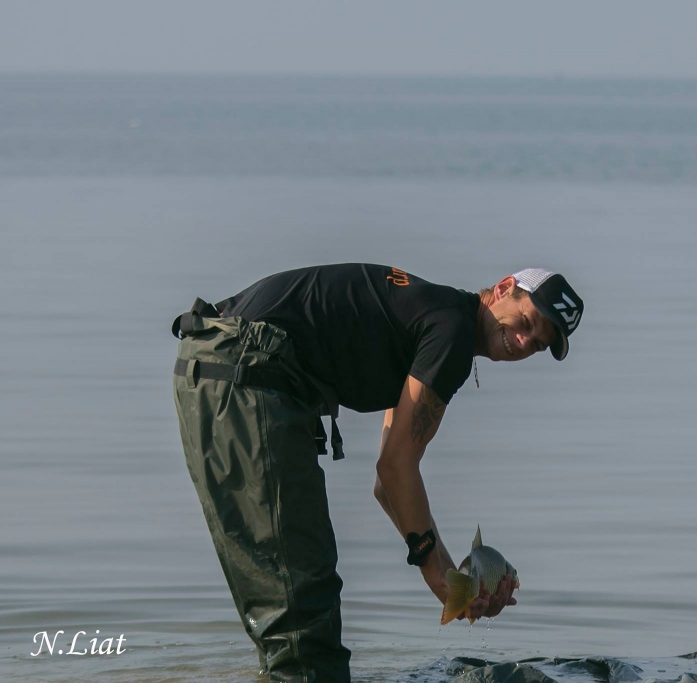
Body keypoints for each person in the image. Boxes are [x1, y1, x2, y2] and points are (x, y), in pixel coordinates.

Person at [171, 264, 584, 683]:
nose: (522, 341)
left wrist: (456, 584)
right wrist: (441, 582)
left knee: (286, 612)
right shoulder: (452, 332)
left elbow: (388, 482)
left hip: (212, 366)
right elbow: (395, 468)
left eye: (536, 345)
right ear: (503, 288)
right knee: (301, 617)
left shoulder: (435, 318)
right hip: (246, 372)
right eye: (527, 322)